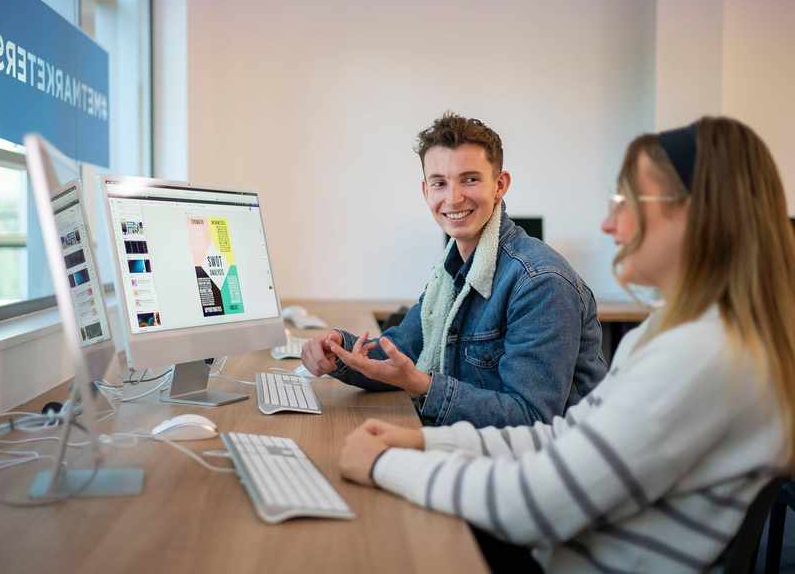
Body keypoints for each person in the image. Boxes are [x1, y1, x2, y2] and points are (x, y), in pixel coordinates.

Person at [335, 116, 795, 572]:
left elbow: (534, 506)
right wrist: (420, 442)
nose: (608, 225)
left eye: (626, 201)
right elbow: (561, 437)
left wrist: (383, 465)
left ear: (699, 214)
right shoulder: (671, 332)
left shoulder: (702, 354)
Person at [301, 112, 606, 428]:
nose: (453, 197)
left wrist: (422, 386)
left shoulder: (540, 282)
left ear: (500, 185)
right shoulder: (450, 272)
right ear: (426, 191)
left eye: (470, 179)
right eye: (440, 183)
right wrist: (338, 349)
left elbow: (530, 418)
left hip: (532, 467)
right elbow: (401, 353)